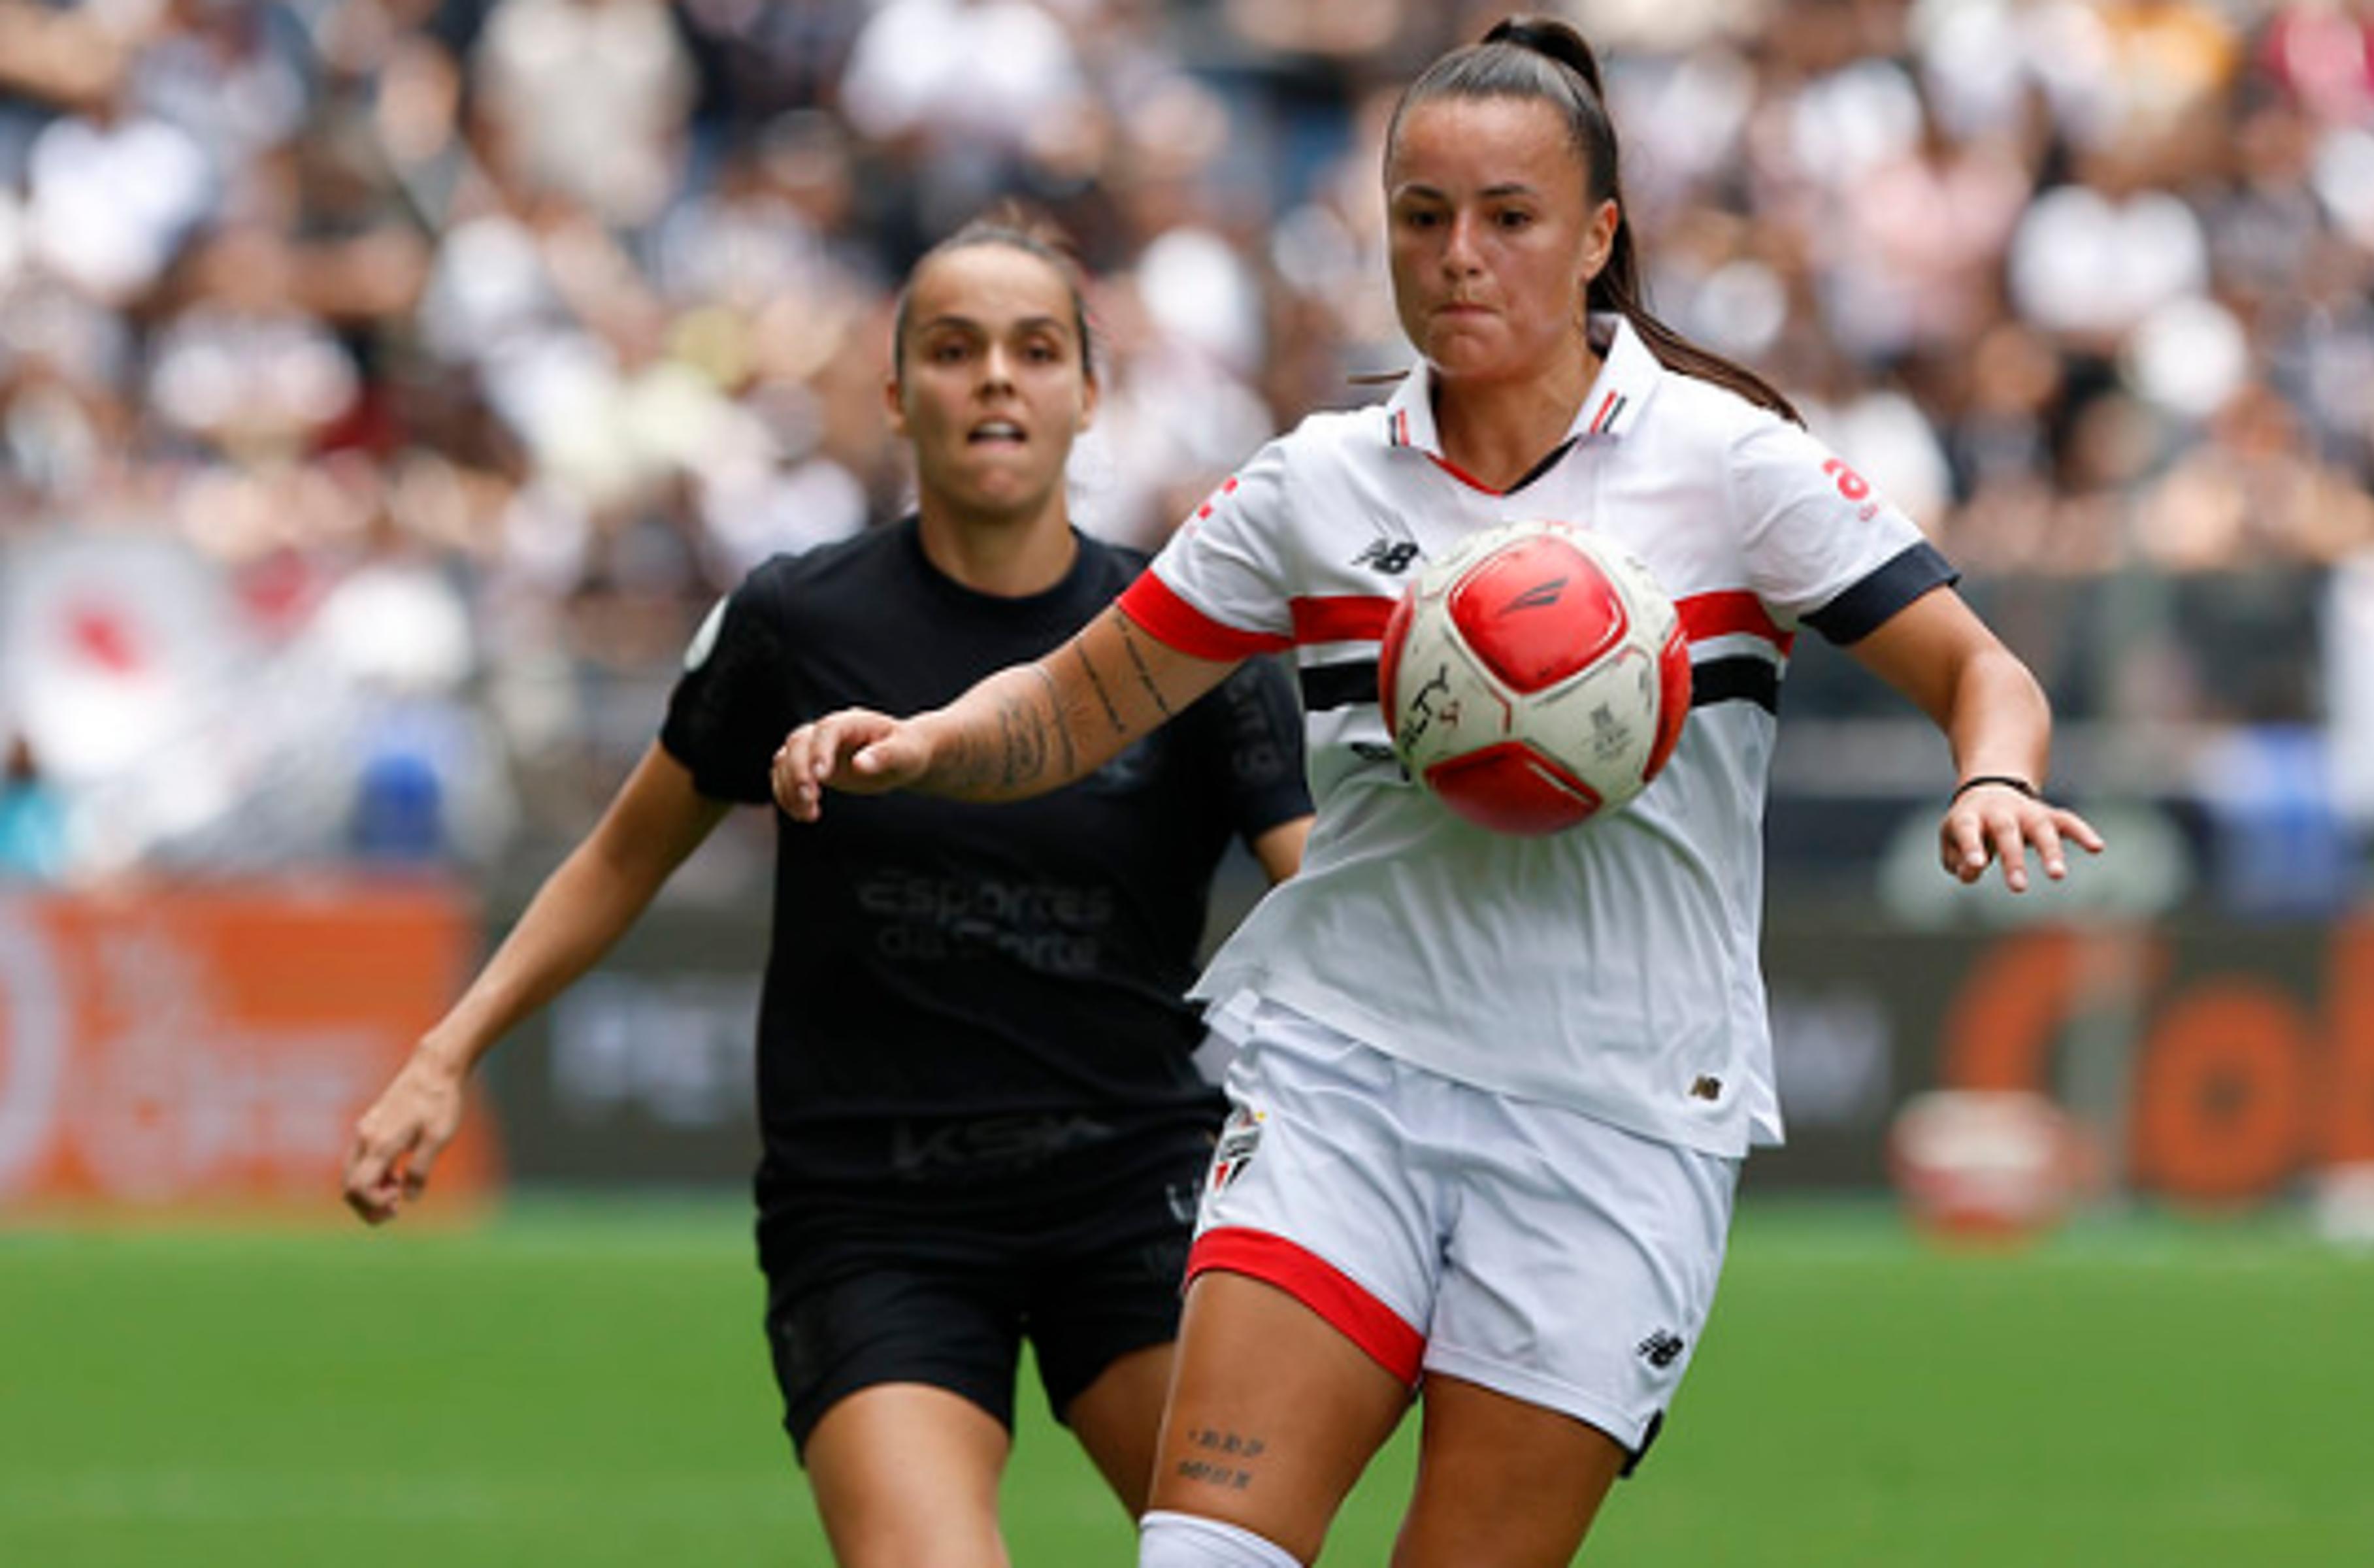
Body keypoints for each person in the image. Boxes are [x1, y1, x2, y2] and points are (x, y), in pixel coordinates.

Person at [771, 17, 2104, 1568]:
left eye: (1509, 218)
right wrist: (931, 742)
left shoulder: (1730, 465)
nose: (1459, 256)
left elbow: (1980, 670)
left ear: (1600, 235)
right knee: (1202, 1554)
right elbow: (1077, 701)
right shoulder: (1316, 483)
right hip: (1347, 1074)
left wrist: (1993, 775)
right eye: (1423, 218)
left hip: (1618, 1121)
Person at [340, 212, 1315, 1568]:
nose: (994, 379)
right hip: (875, 1215)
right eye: (954, 348)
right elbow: (624, 854)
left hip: (1133, 1192)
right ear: (894, 391)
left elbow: (1327, 895)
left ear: (1090, 394)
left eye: (1036, 351)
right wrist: (447, 1053)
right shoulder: (797, 621)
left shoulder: (1182, 638)